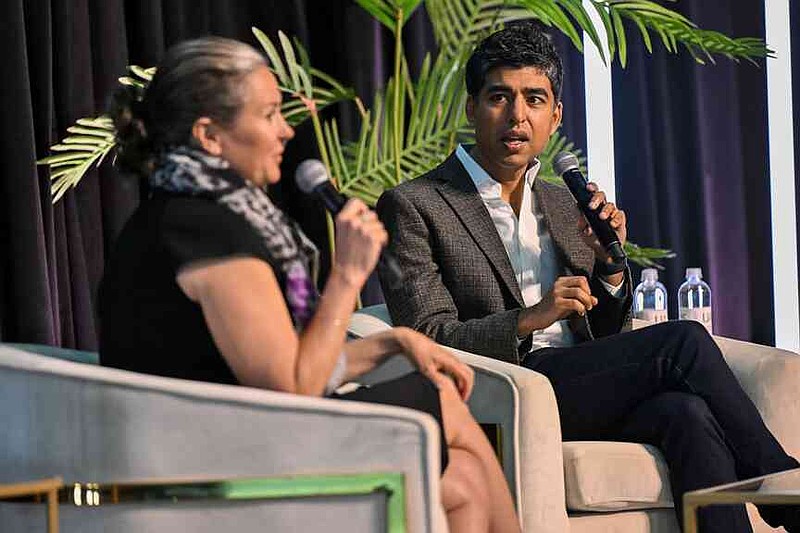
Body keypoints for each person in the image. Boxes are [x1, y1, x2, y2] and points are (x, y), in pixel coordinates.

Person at [377, 22, 799, 533]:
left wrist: (609, 271)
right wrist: (530, 319)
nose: (516, 115)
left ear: (554, 116)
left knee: (685, 413)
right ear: (472, 108)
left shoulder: (560, 200)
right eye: (499, 97)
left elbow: (603, 332)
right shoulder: (415, 204)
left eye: (534, 99)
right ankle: (787, 494)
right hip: (505, 391)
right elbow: (427, 338)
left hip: (579, 384)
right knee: (683, 342)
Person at [98, 36, 520, 533]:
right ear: (210, 135)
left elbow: (293, 365)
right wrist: (346, 277)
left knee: (465, 484)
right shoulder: (202, 230)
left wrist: (395, 341)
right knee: (444, 401)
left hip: (236, 430)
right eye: (269, 114)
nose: (285, 130)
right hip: (211, 456)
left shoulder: (194, 213)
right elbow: (294, 386)